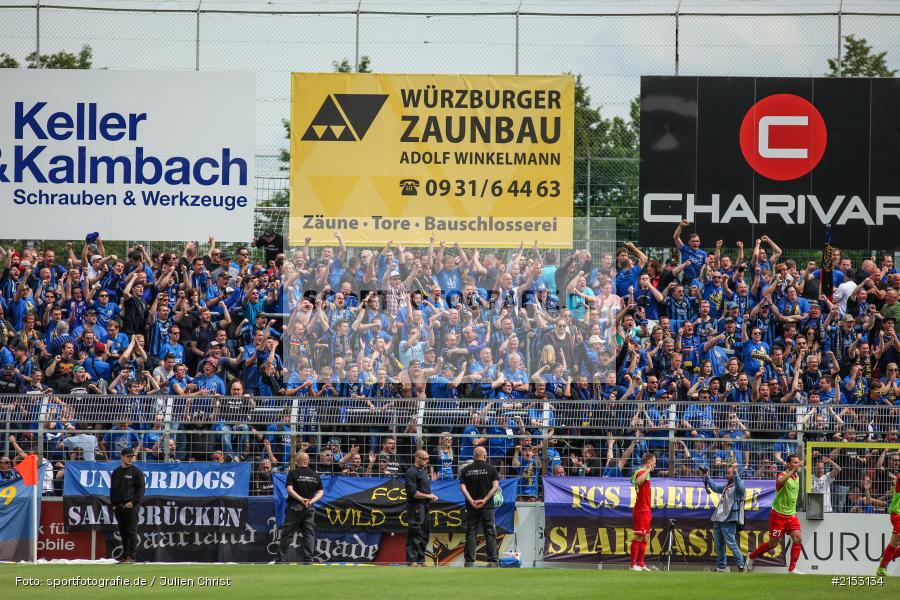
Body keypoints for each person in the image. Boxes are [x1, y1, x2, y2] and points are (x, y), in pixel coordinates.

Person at [747, 453, 804, 574]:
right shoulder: (782, 475)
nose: (796, 464)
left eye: (797, 462)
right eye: (794, 462)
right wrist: (793, 470)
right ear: (788, 464)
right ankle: (751, 556)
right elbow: (781, 481)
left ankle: (792, 568)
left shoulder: (797, 477)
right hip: (778, 516)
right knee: (773, 544)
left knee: (798, 538)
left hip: (791, 515)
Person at [277, 451, 324, 564]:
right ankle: (308, 560)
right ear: (308, 461)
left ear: (297, 462)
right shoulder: (315, 475)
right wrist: (311, 501)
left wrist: (301, 499)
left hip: (295, 506)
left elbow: (289, 490)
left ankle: (281, 560)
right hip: (309, 507)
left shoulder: (293, 473)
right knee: (309, 535)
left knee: (287, 534)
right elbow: (321, 492)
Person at [459, 446, 500, 567]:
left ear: (474, 456)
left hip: (471, 506)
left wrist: (472, 501)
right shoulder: (491, 469)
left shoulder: (466, 470)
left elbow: (462, 488)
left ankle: (469, 561)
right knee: (489, 531)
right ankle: (493, 560)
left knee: (471, 531)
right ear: (485, 456)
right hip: (487, 506)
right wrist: (485, 500)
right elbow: (495, 487)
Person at [703, 461, 746, 572]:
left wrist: (735, 473)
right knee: (719, 545)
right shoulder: (727, 486)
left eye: (729, 473)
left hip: (730, 518)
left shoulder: (739, 486)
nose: (726, 475)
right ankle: (722, 567)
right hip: (719, 518)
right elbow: (714, 487)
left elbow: (740, 488)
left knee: (731, 543)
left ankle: (741, 565)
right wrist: (707, 476)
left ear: (734, 474)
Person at [109, 447, 145, 564]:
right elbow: (113, 490)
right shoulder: (116, 472)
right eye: (128, 456)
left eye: (131, 457)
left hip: (131, 507)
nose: (130, 459)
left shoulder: (136, 472)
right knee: (123, 533)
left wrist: (133, 502)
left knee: (131, 531)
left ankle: (131, 556)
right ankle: (125, 556)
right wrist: (114, 505)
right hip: (119, 507)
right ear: (122, 457)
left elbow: (140, 490)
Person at [405, 449, 438, 567]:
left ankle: (420, 560)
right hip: (416, 506)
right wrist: (428, 496)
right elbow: (413, 493)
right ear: (417, 458)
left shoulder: (423, 471)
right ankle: (412, 560)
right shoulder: (411, 472)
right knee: (416, 533)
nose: (427, 461)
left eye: (428, 459)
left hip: (425, 505)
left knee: (424, 534)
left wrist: (429, 496)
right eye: (424, 459)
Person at [630, 452, 656, 571]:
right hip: (641, 509)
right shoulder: (642, 472)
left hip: (646, 509)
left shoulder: (641, 472)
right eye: (654, 462)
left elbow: (632, 480)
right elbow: (639, 481)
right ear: (649, 462)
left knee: (646, 537)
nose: (655, 465)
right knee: (638, 536)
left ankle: (641, 564)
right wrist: (648, 470)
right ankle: (633, 565)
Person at [875, 462, 900, 577]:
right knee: (894, 543)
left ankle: (885, 559)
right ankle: (882, 567)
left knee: (894, 543)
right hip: (897, 515)